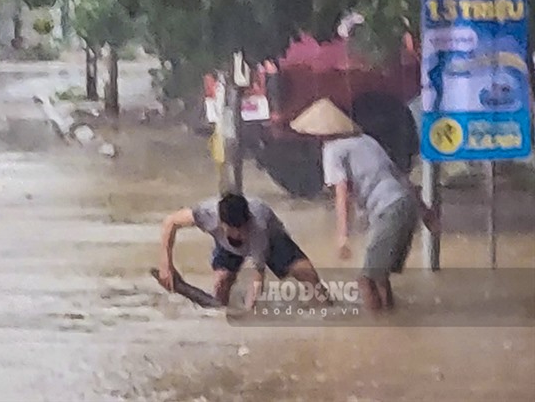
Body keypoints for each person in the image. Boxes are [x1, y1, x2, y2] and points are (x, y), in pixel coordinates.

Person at [290, 98, 438, 311]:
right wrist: (425, 213)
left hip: (388, 210)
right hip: (405, 205)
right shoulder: (367, 141)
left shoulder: (332, 150)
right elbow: (399, 176)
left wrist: (342, 235)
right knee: (380, 278)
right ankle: (392, 323)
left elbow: (342, 193)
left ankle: (379, 331)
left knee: (365, 280)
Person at [158, 193, 327, 309]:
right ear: (222, 224)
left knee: (306, 273)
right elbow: (170, 222)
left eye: (242, 227)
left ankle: (326, 310)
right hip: (227, 244)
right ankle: (222, 322)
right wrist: (166, 264)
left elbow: (258, 274)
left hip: (272, 238)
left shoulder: (257, 226)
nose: (240, 233)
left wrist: (250, 308)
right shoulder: (206, 214)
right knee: (221, 282)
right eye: (235, 228)